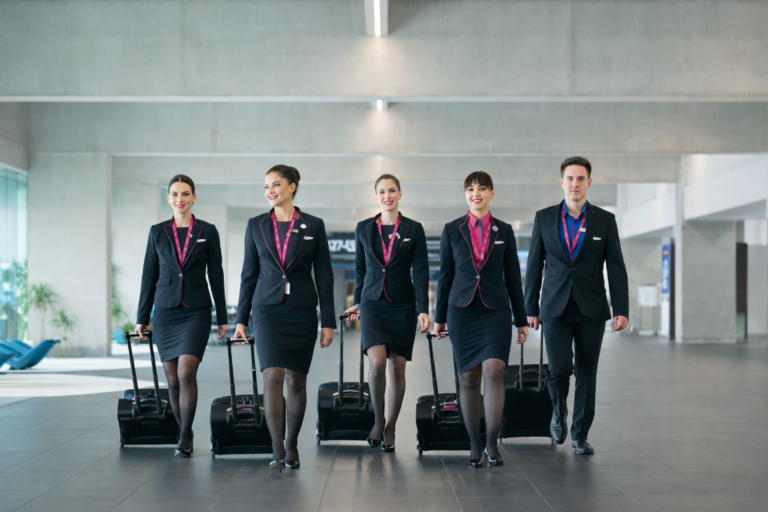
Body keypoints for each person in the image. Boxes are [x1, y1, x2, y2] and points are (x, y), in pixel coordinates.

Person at [233, 164, 335, 471]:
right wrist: (241, 318)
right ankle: (277, 447)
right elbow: (248, 274)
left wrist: (328, 321)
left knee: (296, 380)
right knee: (273, 375)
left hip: (302, 310)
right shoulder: (256, 226)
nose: (270, 191)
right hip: (266, 310)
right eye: (266, 186)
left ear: (292, 186)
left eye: (275, 185)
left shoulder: (313, 225)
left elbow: (325, 276)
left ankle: (291, 443)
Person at [525, 156, 629, 455]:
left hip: (591, 308)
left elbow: (616, 267)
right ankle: (558, 412)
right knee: (559, 368)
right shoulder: (544, 218)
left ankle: (579, 435)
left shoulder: (604, 220)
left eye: (580, 178)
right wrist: (529, 308)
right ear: (562, 182)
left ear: (589, 183)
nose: (575, 183)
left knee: (587, 372)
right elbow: (534, 266)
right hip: (554, 307)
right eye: (570, 178)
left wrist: (621, 307)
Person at [433, 171, 529, 468]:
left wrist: (521, 319)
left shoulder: (504, 230)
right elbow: (445, 276)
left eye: (482, 188)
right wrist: (439, 318)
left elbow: (513, 277)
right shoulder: (451, 229)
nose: (477, 193)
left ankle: (491, 442)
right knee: (469, 377)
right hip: (461, 310)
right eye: (471, 189)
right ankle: (474, 444)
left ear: (492, 193)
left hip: (495, 310)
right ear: (466, 195)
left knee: (494, 370)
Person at [136, 174, 228, 458]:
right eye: (175, 194)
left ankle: (185, 433)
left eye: (185, 194)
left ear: (194, 197)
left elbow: (216, 274)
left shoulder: (207, 231)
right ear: (168, 198)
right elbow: (148, 276)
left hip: (196, 310)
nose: (180, 199)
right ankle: (183, 430)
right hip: (165, 311)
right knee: (172, 380)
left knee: (187, 372)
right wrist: (142, 316)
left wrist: (222, 316)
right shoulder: (157, 232)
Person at [343, 174, 431, 452]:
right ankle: (378, 420)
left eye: (391, 190)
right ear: (376, 196)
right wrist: (357, 301)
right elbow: (360, 268)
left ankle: (391, 425)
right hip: (372, 304)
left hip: (403, 305)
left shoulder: (413, 229)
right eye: (381, 191)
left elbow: (421, 271)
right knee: (378, 363)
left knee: (397, 366)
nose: (387, 195)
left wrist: (424, 310)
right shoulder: (363, 228)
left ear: (400, 194)